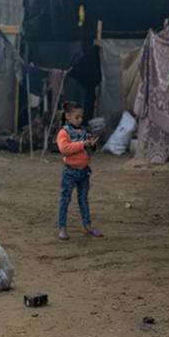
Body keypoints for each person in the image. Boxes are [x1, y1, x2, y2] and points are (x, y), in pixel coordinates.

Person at [55, 101, 101, 241]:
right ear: (68, 116)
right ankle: (62, 227)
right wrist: (82, 144)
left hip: (84, 172)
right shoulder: (64, 133)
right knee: (65, 199)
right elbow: (65, 150)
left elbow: (89, 150)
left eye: (81, 117)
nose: (80, 120)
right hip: (70, 172)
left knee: (83, 199)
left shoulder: (85, 132)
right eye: (77, 117)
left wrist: (92, 145)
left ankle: (87, 225)